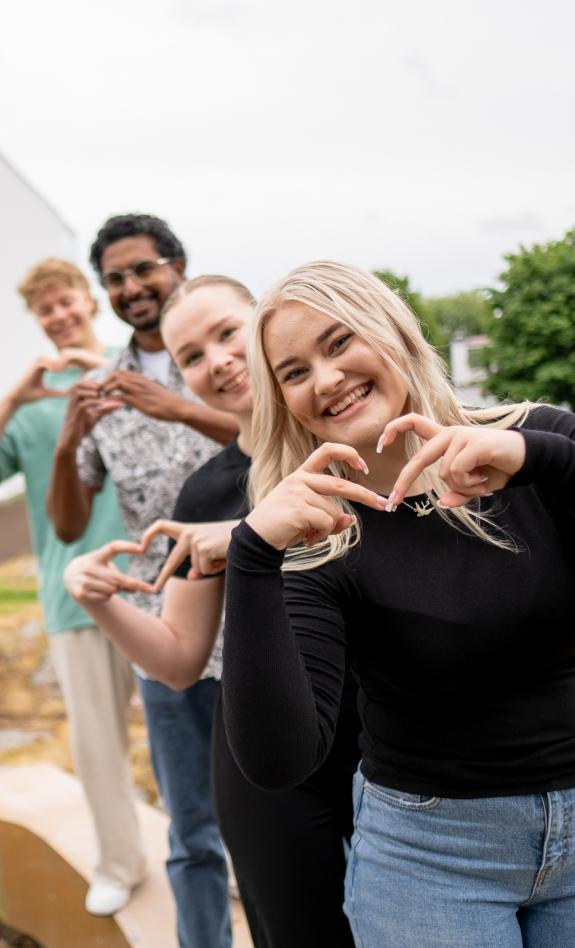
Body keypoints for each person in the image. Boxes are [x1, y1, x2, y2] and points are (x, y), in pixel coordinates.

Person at [220, 260, 575, 947]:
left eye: (338, 342)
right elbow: (277, 760)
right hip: (433, 857)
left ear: (393, 333)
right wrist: (252, 557)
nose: (324, 379)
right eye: (293, 372)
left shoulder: (536, 439)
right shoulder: (316, 537)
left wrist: (536, 456)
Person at [63, 274, 360, 947]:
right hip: (266, 752)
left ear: (261, 327)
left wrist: (248, 539)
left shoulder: (350, 435)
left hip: (393, 739)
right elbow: (177, 659)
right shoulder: (206, 490)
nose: (218, 360)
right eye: (191, 357)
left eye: (227, 333)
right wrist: (100, 599)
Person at [48, 216, 236, 948]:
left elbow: (278, 447)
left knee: (295, 815)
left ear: (178, 266)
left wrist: (180, 407)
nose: (131, 288)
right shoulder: (99, 388)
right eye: (115, 279)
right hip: (166, 637)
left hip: (260, 621)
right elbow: (67, 525)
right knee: (191, 830)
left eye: (143, 270)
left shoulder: (233, 360)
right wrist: (68, 444)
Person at [0, 258, 145, 916]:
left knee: (200, 739)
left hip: (155, 583)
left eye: (65, 302)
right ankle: (121, 863)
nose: (59, 316)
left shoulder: (135, 366)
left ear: (87, 301)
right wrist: (13, 400)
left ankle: (221, 859)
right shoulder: (30, 402)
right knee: (95, 746)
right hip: (70, 596)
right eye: (45, 310)